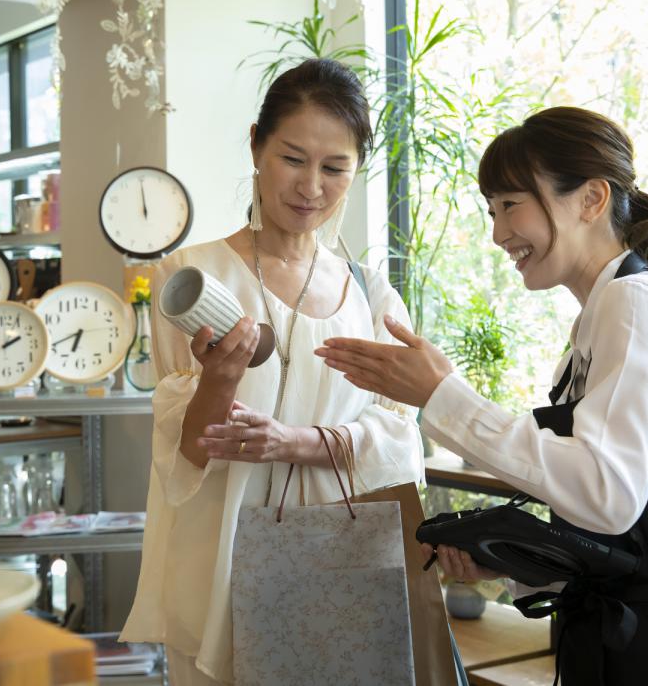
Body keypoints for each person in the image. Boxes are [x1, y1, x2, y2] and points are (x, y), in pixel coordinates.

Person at [316, 106, 648, 685]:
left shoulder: (639, 302)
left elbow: (608, 493)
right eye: (491, 210)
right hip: (624, 637)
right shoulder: (597, 322)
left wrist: (442, 395)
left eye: (510, 205)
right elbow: (619, 533)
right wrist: (510, 561)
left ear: (591, 199)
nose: (499, 233)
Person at [120, 58, 424, 685]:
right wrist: (219, 381)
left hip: (343, 558)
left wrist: (303, 443)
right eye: (293, 157)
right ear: (255, 144)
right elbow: (184, 454)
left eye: (335, 167)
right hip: (220, 564)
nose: (311, 186)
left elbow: (401, 441)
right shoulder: (196, 278)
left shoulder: (369, 293)